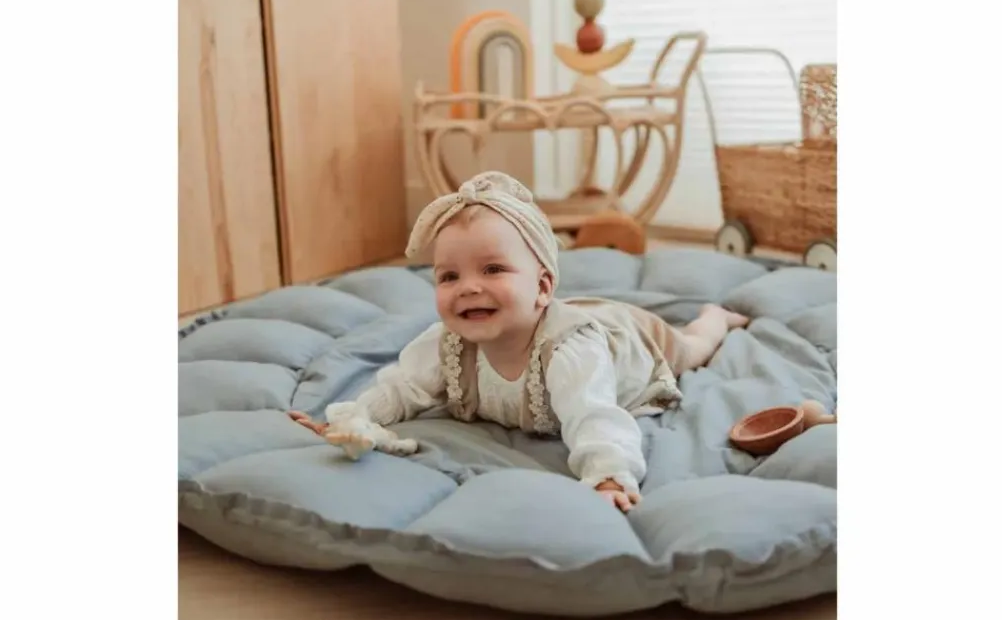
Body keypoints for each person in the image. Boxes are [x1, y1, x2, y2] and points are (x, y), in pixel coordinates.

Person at [290, 172, 747, 513]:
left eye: (493, 270)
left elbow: (596, 418)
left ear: (543, 287)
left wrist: (609, 477)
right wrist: (353, 419)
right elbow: (400, 388)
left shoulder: (569, 355)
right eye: (449, 276)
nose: (468, 287)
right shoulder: (448, 346)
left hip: (630, 339)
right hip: (562, 316)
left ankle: (715, 318)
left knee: (693, 349)